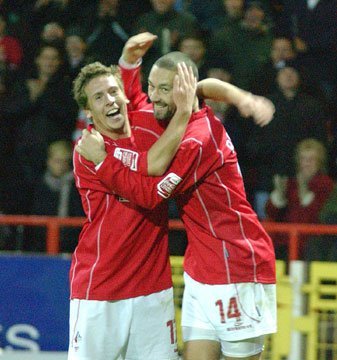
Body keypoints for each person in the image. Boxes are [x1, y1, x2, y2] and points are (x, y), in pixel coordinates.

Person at [76, 32, 276, 360]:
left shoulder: (195, 141)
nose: (152, 96)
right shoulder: (177, 117)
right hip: (201, 268)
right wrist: (243, 99)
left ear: (184, 93)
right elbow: (194, 87)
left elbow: (151, 187)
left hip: (238, 266)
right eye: (152, 85)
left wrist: (103, 162)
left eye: (162, 89)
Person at [69, 59, 197, 360]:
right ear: (88, 112)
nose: (110, 100)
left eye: (114, 91)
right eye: (99, 97)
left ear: (125, 95)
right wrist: (103, 160)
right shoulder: (88, 150)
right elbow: (146, 196)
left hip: (153, 290)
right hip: (100, 290)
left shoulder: (152, 134)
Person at [266, 138, 334, 259]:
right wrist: (279, 196)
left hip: (312, 242)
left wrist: (304, 194)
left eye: (311, 159)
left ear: (319, 162)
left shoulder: (326, 184)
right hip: (285, 242)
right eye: (303, 159)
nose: (307, 163)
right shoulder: (291, 184)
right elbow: (271, 213)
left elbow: (318, 217)